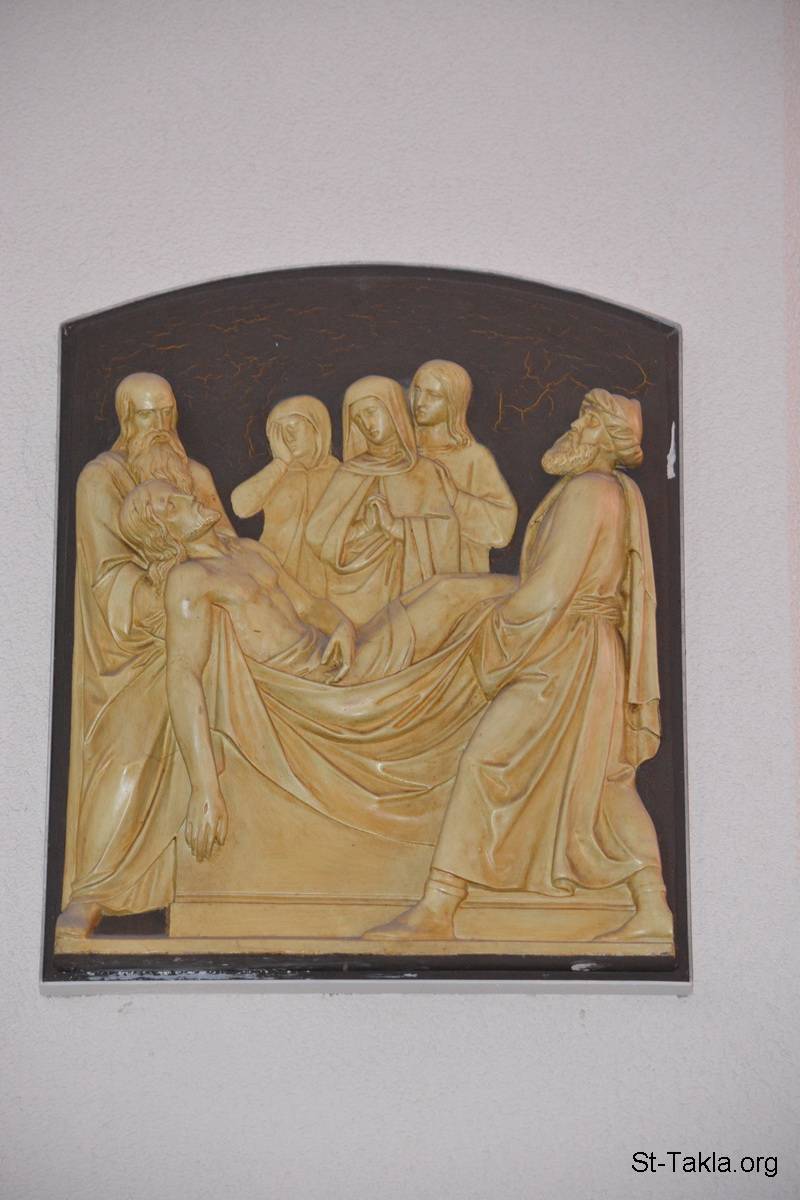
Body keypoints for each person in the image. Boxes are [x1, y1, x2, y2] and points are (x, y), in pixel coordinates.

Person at [365, 388, 673, 944]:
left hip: (563, 652)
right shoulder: (614, 492)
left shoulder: (589, 490)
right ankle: (653, 908)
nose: (575, 426)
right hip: (590, 649)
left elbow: (548, 592)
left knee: (486, 761)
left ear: (608, 438)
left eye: (588, 421)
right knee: (607, 782)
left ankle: (439, 908)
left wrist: (486, 630)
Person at [118, 479, 513, 860]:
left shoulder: (247, 550)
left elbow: (308, 605)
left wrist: (340, 625)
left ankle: (536, 598)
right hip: (321, 691)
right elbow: (184, 672)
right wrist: (204, 787)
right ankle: (541, 591)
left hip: (336, 657)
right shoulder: (191, 580)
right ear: (163, 535)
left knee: (439, 589)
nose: (186, 497)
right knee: (448, 595)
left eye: (175, 492)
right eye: (169, 505)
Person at [57, 372, 233, 938]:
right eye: (145, 415)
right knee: (128, 759)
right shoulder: (101, 478)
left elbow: (227, 546)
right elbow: (108, 573)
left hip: (197, 631)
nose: (159, 426)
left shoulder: (195, 476)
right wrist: (167, 597)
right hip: (131, 646)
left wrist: (209, 582)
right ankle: (93, 890)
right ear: (125, 420)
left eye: (166, 413)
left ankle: (207, 883)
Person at [305, 376, 461, 624]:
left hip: (410, 596)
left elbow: (448, 533)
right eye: (358, 418)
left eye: (370, 412)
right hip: (354, 599)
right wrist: (364, 528)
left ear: (393, 408)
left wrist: (396, 527)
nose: (366, 424)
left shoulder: (426, 471)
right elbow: (317, 536)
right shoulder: (349, 473)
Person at [410, 359, 517, 571]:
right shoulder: (403, 455)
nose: (420, 402)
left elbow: (502, 528)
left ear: (454, 402)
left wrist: (454, 498)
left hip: (458, 574)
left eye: (433, 395)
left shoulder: (473, 458)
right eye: (417, 391)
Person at [230, 394, 339, 595]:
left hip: (327, 583)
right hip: (277, 580)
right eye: (279, 430)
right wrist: (280, 463)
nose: (288, 436)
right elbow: (240, 507)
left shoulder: (340, 474)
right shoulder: (276, 475)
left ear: (316, 427)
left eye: (294, 426)